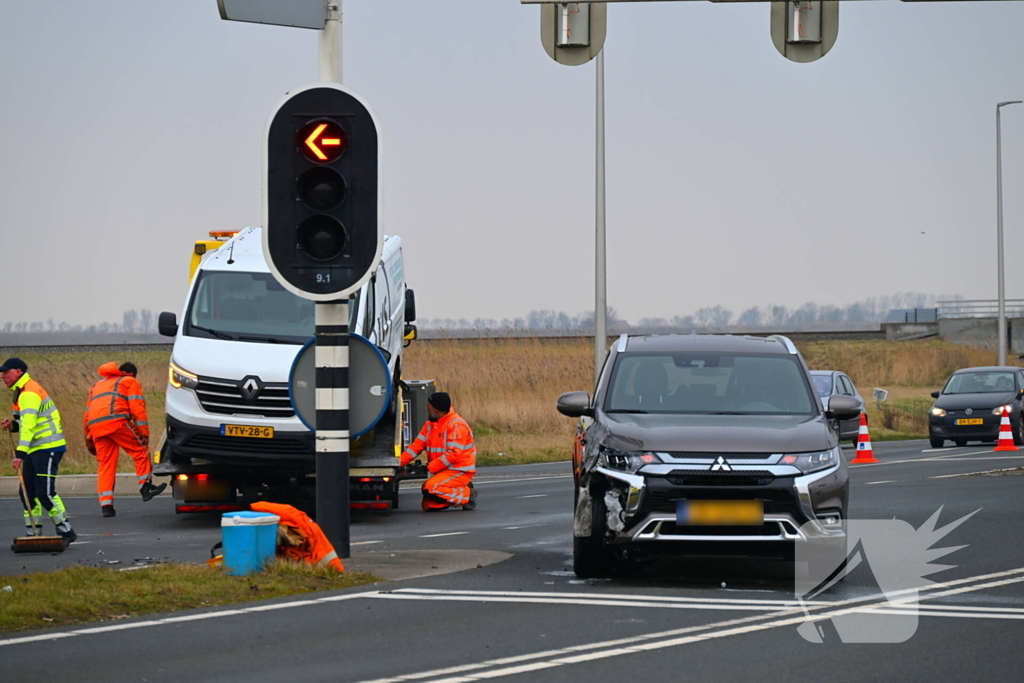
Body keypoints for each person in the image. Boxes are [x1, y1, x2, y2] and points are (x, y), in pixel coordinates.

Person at [0, 358, 77, 544]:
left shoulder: (28, 393)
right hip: (37, 449)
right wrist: (13, 425)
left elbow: (29, 426)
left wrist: (19, 455)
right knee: (27, 493)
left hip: (48, 448)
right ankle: (33, 534)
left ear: (18, 372)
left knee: (45, 493)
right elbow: (25, 423)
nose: (2, 376)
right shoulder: (20, 392)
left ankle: (66, 531)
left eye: (6, 372)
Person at [84, 361, 166, 517]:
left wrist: (88, 438)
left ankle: (106, 505)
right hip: (116, 422)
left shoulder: (97, 386)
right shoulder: (130, 381)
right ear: (132, 374)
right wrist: (143, 434)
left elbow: (86, 414)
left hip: (96, 428)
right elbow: (137, 409)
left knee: (106, 465)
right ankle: (146, 487)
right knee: (140, 450)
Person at [399, 392, 477, 511]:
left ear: (436, 410)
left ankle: (467, 495)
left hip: (459, 470)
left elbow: (453, 454)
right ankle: (458, 491)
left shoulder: (456, 425)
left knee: (430, 488)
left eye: (429, 405)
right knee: (428, 506)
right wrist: (398, 463)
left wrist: (428, 467)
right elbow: (416, 447)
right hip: (442, 471)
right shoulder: (430, 425)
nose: (427, 407)